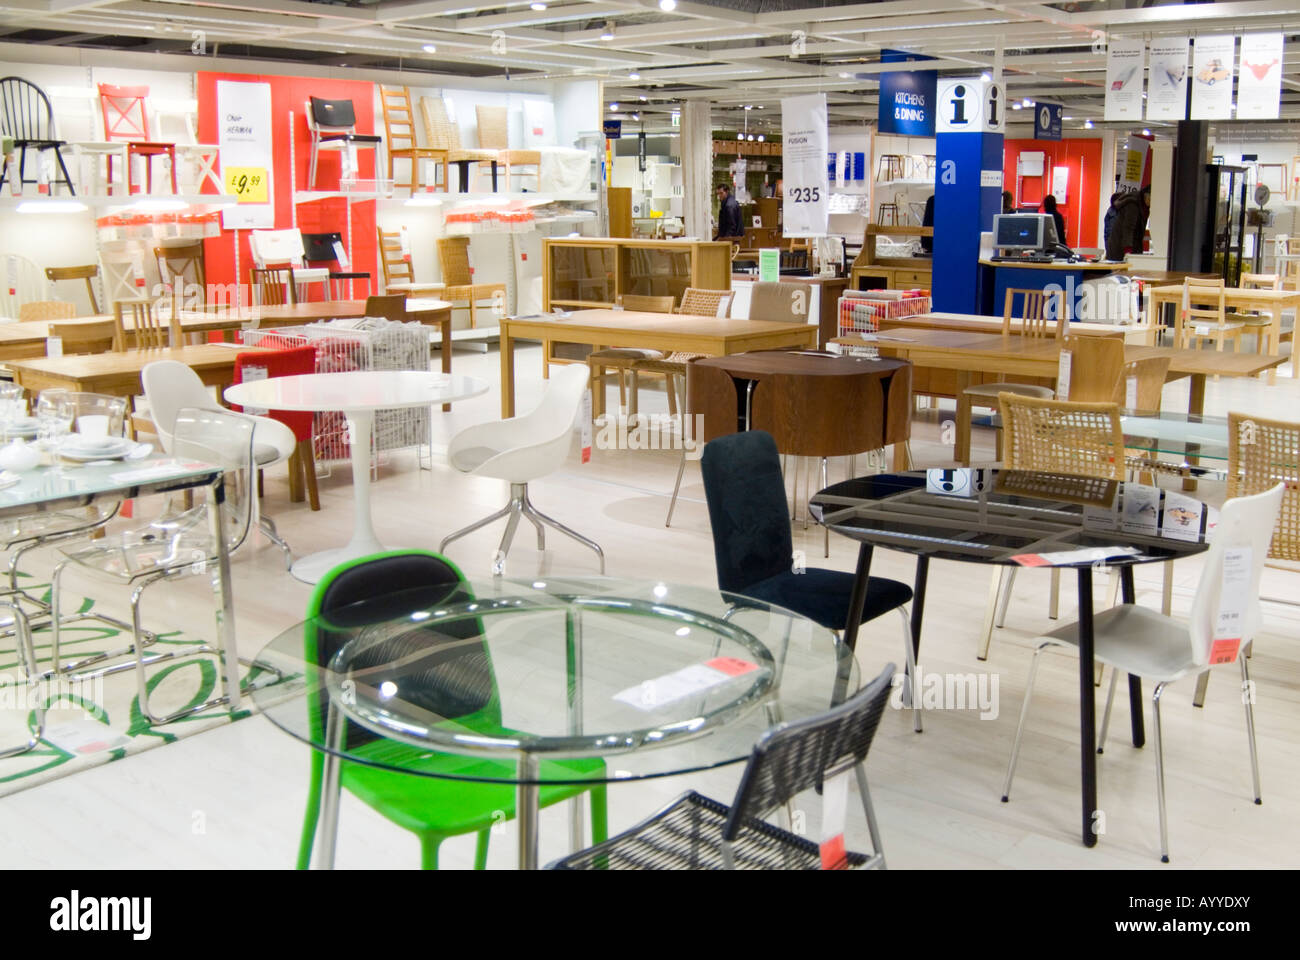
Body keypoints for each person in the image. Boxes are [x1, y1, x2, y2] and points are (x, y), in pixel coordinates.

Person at [1105, 187, 1149, 260]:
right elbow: (1128, 228)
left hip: (1121, 247)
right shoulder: (1132, 204)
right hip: (1121, 249)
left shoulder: (1143, 207)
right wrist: (1128, 250)